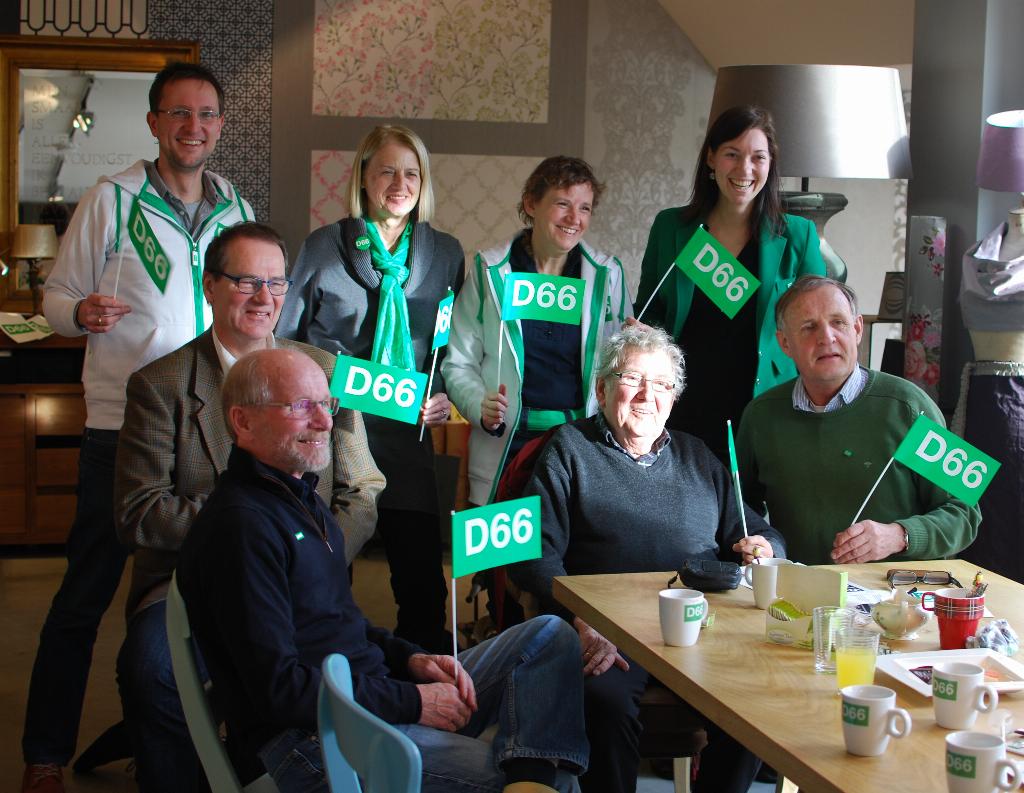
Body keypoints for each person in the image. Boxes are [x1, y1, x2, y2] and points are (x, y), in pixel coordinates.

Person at [175, 348, 589, 793]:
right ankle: (532, 780)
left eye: (326, 404)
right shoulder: (241, 527)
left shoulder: (300, 496)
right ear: (242, 421)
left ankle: (528, 777)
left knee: (550, 636)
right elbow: (281, 691)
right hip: (316, 741)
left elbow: (341, 624)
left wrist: (409, 658)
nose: (325, 421)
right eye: (301, 406)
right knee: (559, 783)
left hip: (369, 696)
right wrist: (412, 701)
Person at [25, 61, 252, 793]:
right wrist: (78, 311)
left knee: (198, 589)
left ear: (220, 126)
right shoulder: (111, 198)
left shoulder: (234, 205)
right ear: (154, 123)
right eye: (179, 113)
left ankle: (185, 731)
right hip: (122, 426)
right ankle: (44, 754)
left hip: (209, 425)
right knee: (85, 594)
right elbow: (56, 297)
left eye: (207, 114)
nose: (194, 126)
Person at [112, 222, 385, 792]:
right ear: (209, 285)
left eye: (277, 283)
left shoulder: (328, 371)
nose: (265, 297)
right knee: (152, 670)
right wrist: (257, 535)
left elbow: (362, 487)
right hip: (188, 586)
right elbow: (140, 511)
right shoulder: (160, 385)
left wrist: (312, 555)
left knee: (346, 668)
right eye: (246, 281)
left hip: (308, 581)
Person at [509, 325, 784, 793]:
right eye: (632, 379)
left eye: (661, 384)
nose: (646, 395)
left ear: (673, 398)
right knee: (605, 702)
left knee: (755, 706)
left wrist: (765, 548)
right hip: (610, 633)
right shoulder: (570, 450)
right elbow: (533, 551)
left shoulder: (697, 456)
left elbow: (755, 529)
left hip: (701, 629)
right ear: (601, 390)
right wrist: (580, 619)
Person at [277, 125, 462, 653]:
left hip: (407, 435)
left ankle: (422, 687)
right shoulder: (323, 247)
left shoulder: (445, 253)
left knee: (422, 589)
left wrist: (442, 393)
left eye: (412, 173)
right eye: (387, 171)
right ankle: (327, 681)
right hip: (333, 434)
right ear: (363, 177)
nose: (400, 184)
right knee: (326, 578)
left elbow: (450, 346)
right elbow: (285, 339)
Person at [737, 275, 981, 566]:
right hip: (796, 587)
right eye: (809, 327)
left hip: (895, 590)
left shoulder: (910, 406)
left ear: (857, 329)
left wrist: (899, 535)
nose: (827, 337)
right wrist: (761, 545)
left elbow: (965, 512)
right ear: (785, 343)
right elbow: (740, 511)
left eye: (838, 322)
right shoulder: (761, 415)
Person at [634, 105, 826, 463]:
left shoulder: (797, 236)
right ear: (711, 158)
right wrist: (643, 334)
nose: (745, 169)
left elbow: (819, 323)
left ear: (771, 164)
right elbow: (651, 310)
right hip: (682, 405)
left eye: (758, 157)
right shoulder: (672, 228)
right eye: (732, 155)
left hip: (763, 405)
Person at [443, 156, 631, 507]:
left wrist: (638, 348)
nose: (574, 218)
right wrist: (479, 404)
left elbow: (621, 368)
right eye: (562, 204)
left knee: (567, 540)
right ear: (531, 204)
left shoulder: (608, 275)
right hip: (506, 443)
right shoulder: (490, 270)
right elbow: (458, 362)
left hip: (578, 444)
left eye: (585, 208)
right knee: (498, 543)